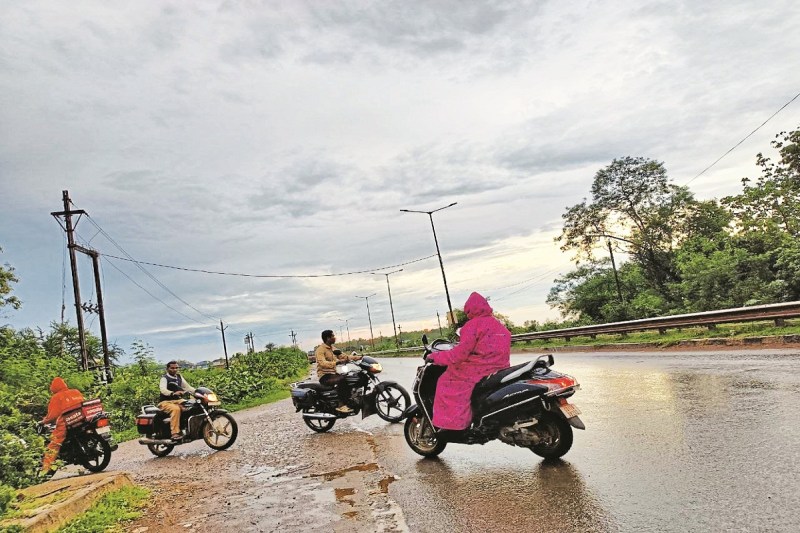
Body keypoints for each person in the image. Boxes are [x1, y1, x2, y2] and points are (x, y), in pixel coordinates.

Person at [426, 292, 511, 431]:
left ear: (470, 309)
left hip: (479, 369)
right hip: (501, 368)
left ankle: (456, 424)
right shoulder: (498, 324)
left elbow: (458, 355)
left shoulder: (472, 326)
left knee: (445, 381)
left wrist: (436, 357)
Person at [40, 376, 85, 475]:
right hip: (82, 418)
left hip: (66, 422)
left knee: (54, 444)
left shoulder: (56, 397)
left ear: (54, 387)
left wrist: (44, 421)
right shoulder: (75, 392)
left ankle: (46, 469)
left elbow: (53, 415)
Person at [315, 330, 361, 414]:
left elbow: (345, 356)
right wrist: (336, 362)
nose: (334, 338)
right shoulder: (320, 350)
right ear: (328, 338)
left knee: (350, 377)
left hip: (333, 374)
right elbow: (322, 363)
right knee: (342, 380)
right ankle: (341, 405)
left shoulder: (333, 349)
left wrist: (360, 357)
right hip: (325, 376)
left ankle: (350, 400)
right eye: (333, 336)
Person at [158, 361, 196, 440]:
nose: (175, 369)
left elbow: (187, 387)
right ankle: (175, 433)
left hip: (178, 401)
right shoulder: (164, 378)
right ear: (167, 369)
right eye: (172, 368)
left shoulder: (179, 377)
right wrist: (172, 393)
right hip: (165, 402)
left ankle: (187, 428)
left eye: (176, 368)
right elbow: (163, 390)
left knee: (191, 406)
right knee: (176, 409)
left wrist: (198, 392)